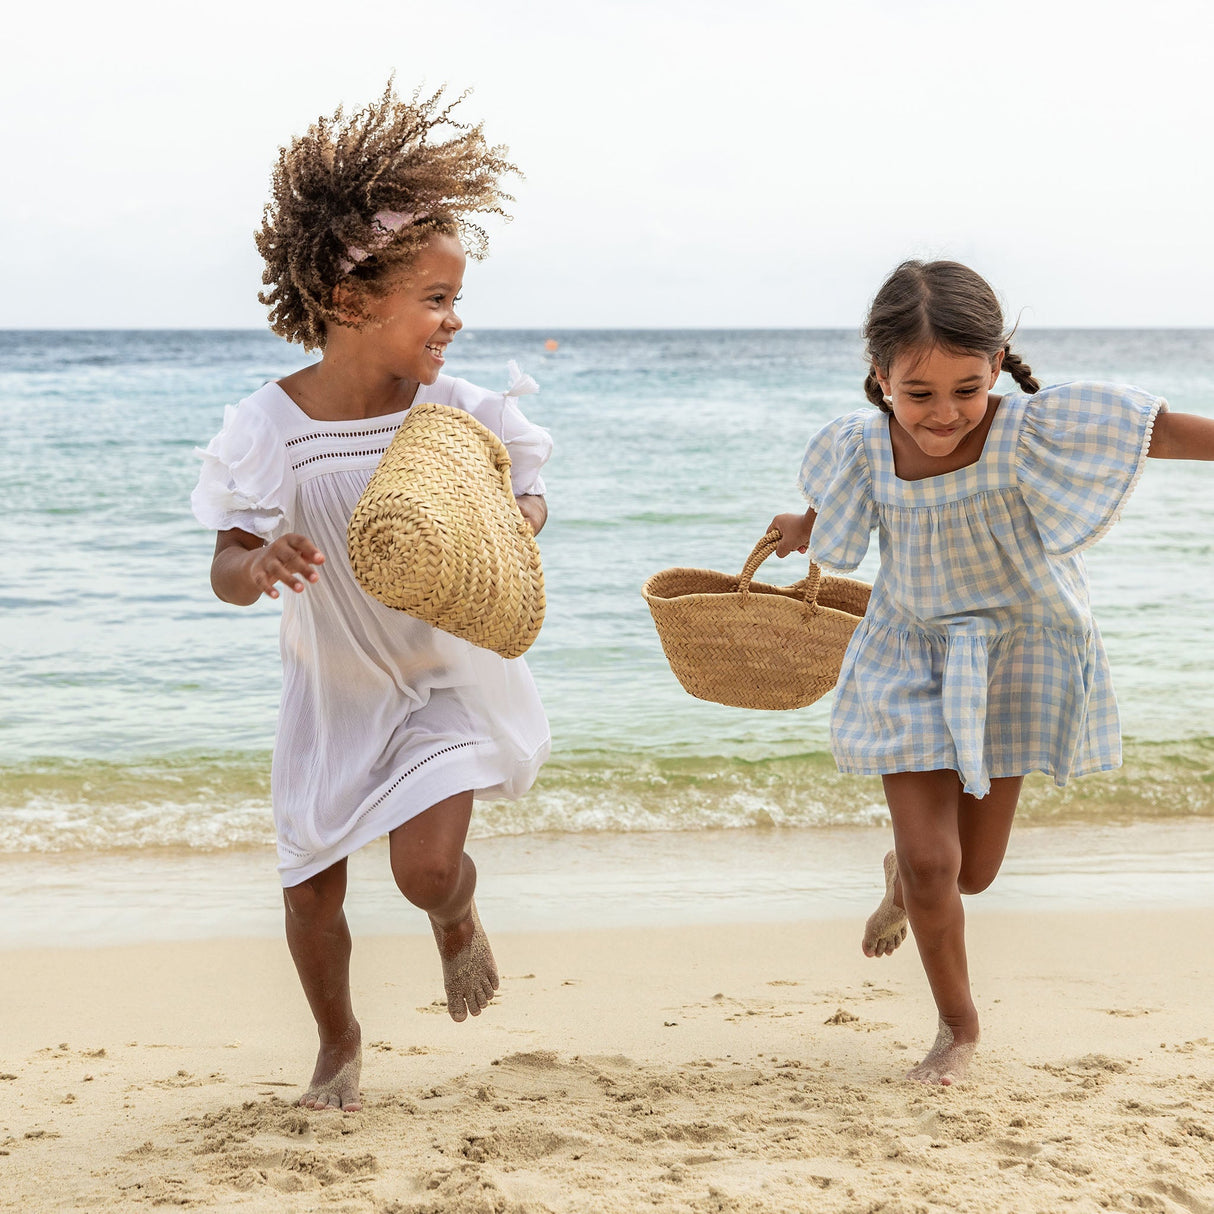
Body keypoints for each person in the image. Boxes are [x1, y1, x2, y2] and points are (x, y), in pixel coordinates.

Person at [191, 84, 552, 1113]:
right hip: (328, 687)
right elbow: (224, 562)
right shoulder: (272, 426)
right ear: (353, 303)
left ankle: (455, 914)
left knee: (426, 868)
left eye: (454, 296)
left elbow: (524, 489)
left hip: (439, 680)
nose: (455, 317)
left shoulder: (453, 411)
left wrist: (518, 514)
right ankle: (338, 1042)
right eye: (435, 298)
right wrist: (254, 568)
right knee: (310, 880)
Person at [769, 260, 1214, 1085]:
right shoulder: (862, 446)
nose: (945, 415)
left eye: (967, 390)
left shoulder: (1030, 430)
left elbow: (1163, 434)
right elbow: (845, 513)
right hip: (905, 655)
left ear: (997, 363)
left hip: (1015, 656)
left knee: (971, 871)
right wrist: (804, 521)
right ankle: (957, 1028)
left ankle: (902, 876)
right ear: (881, 378)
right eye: (920, 394)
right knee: (940, 866)